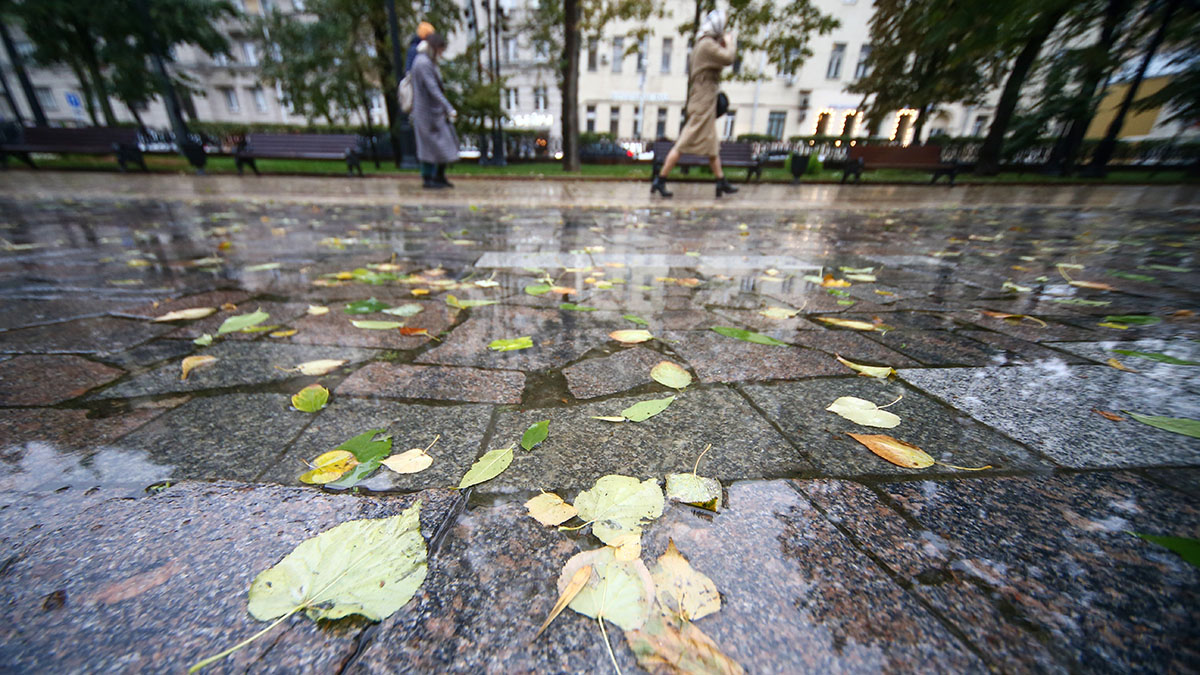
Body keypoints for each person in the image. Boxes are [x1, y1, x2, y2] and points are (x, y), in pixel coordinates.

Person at [651, 9, 738, 198]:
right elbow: (729, 58)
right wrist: (730, 42)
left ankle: (720, 181)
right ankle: (660, 179)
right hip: (703, 100)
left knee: (712, 145)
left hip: (705, 99)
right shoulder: (706, 45)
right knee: (683, 143)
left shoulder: (704, 44)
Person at [410, 33, 459, 189]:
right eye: (441, 49)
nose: (442, 53)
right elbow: (433, 89)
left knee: (444, 144)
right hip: (426, 114)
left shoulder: (428, 62)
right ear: (434, 47)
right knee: (429, 148)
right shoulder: (423, 63)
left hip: (434, 113)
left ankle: (438, 176)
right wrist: (448, 107)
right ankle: (429, 178)